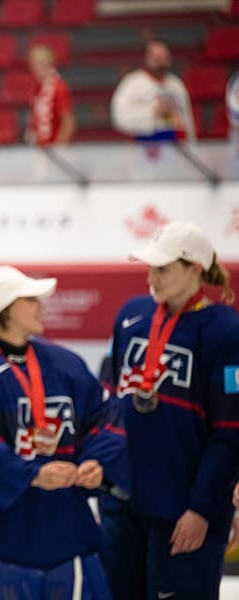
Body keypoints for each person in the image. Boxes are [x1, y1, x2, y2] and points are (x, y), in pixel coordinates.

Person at [0, 265, 127, 599]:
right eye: (30, 299)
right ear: (4, 308)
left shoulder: (65, 363)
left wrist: (96, 462)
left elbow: (106, 415)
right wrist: (30, 475)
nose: (40, 306)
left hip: (67, 531)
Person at [102, 222, 239, 600]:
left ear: (195, 269)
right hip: (123, 502)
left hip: (182, 512)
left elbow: (229, 434)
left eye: (162, 269)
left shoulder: (226, 332)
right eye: (150, 268)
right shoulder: (132, 315)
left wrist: (201, 510)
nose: (151, 278)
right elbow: (110, 403)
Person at [111, 39, 196, 142]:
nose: (160, 60)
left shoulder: (176, 84)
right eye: (156, 57)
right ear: (147, 58)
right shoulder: (132, 83)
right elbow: (120, 117)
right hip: (146, 142)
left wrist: (192, 142)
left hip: (177, 141)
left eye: (164, 56)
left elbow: (187, 117)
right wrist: (152, 110)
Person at [25, 44, 75, 147]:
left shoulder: (58, 87)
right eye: (34, 64)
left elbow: (68, 124)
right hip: (42, 147)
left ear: (51, 63)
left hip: (53, 148)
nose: (37, 68)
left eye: (42, 63)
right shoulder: (38, 88)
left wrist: (58, 148)